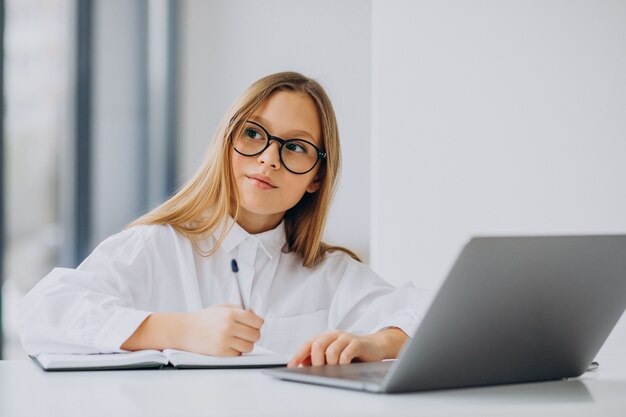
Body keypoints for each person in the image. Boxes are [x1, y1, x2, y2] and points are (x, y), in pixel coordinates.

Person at [16, 72, 430, 368]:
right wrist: (178, 331)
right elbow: (42, 310)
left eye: (297, 147)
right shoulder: (157, 247)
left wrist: (378, 342)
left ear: (316, 178)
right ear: (226, 142)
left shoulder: (330, 273)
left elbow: (434, 314)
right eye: (254, 134)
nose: (269, 157)